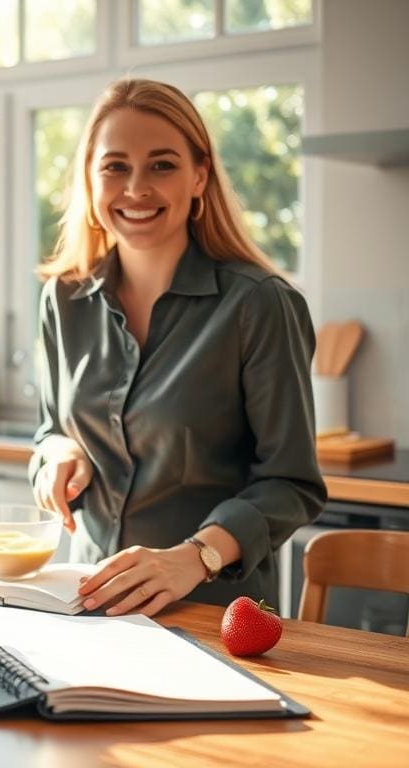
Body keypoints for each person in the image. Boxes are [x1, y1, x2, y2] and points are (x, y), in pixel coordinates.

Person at [30, 78, 326, 618]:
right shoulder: (64, 300)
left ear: (199, 176)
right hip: (87, 606)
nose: (136, 188)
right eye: (115, 166)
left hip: (216, 615)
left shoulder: (259, 305)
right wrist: (58, 455)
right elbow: (51, 429)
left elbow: (292, 484)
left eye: (161, 165)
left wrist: (195, 556)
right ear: (91, 183)